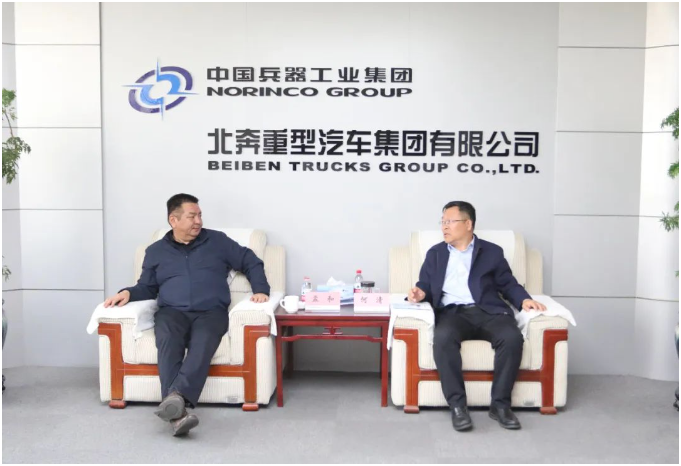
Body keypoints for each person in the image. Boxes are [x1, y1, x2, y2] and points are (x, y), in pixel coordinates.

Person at [103, 193, 270, 436]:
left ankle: (175, 400)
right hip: (172, 312)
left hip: (210, 312)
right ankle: (177, 413)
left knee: (203, 342)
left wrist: (261, 291)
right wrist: (128, 293)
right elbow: (147, 287)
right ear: (174, 220)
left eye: (200, 215)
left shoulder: (218, 241)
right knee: (168, 341)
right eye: (192, 216)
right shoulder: (156, 251)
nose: (198, 221)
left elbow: (250, 260)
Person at [408, 201, 546, 432]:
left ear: (468, 224)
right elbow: (425, 285)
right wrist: (419, 293)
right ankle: (457, 406)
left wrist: (523, 300)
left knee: (511, 338)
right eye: (442, 222)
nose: (444, 227)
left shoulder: (492, 252)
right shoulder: (436, 254)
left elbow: (507, 283)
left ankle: (500, 406)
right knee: (443, 338)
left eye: (450, 221)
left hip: (489, 311)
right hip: (452, 313)